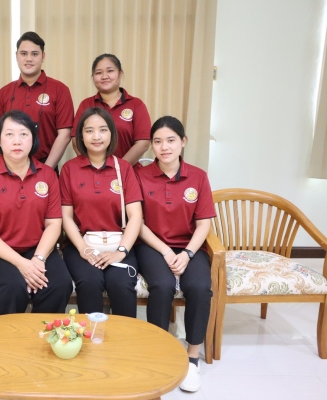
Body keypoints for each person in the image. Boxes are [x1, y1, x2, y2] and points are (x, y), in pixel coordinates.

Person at [134, 116, 215, 393]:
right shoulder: (140, 176)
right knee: (162, 285)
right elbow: (138, 223)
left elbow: (203, 224)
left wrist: (188, 253)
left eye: (170, 140)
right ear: (151, 146)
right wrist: (166, 251)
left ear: (183, 142)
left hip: (190, 246)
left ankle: (192, 357)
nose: (164, 147)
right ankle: (160, 350)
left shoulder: (198, 177)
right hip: (153, 246)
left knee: (200, 287)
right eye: (157, 141)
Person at [0, 110, 73, 316]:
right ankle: (10, 336)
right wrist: (22, 265)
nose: (16, 141)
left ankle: (41, 334)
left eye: (23, 134)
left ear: (33, 139)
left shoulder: (48, 175)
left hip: (38, 248)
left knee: (59, 284)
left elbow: (54, 224)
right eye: (9, 134)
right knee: (11, 287)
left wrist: (38, 259)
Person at [60, 107, 143, 317]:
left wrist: (121, 252)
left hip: (119, 243)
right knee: (89, 281)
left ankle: (123, 337)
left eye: (103, 130)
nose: (96, 136)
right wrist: (83, 249)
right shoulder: (69, 169)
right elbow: (66, 216)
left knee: (121, 283)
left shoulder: (124, 168)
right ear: (80, 136)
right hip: (80, 245)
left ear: (111, 134)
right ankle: (90, 335)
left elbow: (135, 215)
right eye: (89, 131)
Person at [0, 32, 74, 170]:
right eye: (24, 54)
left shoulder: (60, 90)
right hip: (10, 168)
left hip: (47, 165)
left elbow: (65, 134)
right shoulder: (3, 93)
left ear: (43, 56)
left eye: (34, 54)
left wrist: (46, 170)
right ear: (16, 56)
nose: (29, 59)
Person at [71, 54, 151, 165]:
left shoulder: (136, 104)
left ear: (120, 74)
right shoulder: (86, 104)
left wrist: (119, 169)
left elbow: (143, 143)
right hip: (92, 172)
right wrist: (93, 168)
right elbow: (76, 140)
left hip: (127, 171)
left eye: (110, 71)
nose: (104, 76)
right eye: (99, 73)